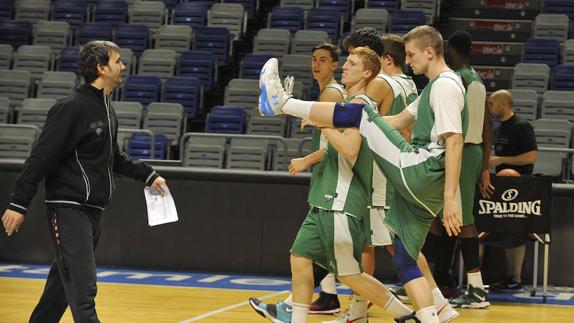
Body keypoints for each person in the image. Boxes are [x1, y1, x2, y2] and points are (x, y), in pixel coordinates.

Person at [258, 25, 467, 323]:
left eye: (410, 54)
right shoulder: (433, 86)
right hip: (424, 188)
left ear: (430, 51)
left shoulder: (444, 85)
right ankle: (435, 313)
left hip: (419, 169)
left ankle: (283, 103)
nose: (407, 61)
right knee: (405, 260)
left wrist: (451, 199)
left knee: (363, 112)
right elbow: (395, 121)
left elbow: (455, 140)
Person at [1, 40, 167, 323]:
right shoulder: (72, 108)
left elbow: (113, 158)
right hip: (68, 209)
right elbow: (40, 159)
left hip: (92, 212)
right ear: (102, 68)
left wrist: (148, 175)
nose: (123, 66)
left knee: (60, 290)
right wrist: (18, 204)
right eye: (118, 61)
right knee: (83, 288)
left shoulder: (106, 110)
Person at [254, 47, 418, 323]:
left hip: (341, 200)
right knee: (300, 257)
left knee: (350, 274)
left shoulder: (362, 104)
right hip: (325, 198)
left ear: (367, 73)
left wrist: (323, 126)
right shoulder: (351, 101)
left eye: (352, 63)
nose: (345, 67)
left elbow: (350, 150)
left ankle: (407, 315)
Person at [249, 43, 347, 319]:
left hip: (335, 179)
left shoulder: (331, 92)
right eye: (314, 59)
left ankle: (294, 305)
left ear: (335, 64)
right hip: (330, 177)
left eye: (324, 60)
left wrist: (306, 160)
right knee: (328, 249)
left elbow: (338, 144)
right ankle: (328, 298)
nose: (317, 65)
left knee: (318, 249)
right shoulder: (327, 92)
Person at [418, 30, 494, 309]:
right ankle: (434, 280)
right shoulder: (477, 79)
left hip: (460, 150)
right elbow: (488, 125)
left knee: (464, 219)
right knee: (440, 218)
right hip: (473, 151)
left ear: (449, 49)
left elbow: (456, 131)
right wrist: (485, 166)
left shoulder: (455, 79)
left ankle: (476, 289)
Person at [482, 89, 537, 292]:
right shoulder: (499, 127)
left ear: (503, 104)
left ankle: (516, 278)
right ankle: (507, 277)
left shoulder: (521, 126)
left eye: (492, 104)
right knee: (504, 231)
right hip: (502, 185)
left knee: (518, 233)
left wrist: (502, 160)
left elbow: (531, 157)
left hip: (521, 186)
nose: (490, 107)